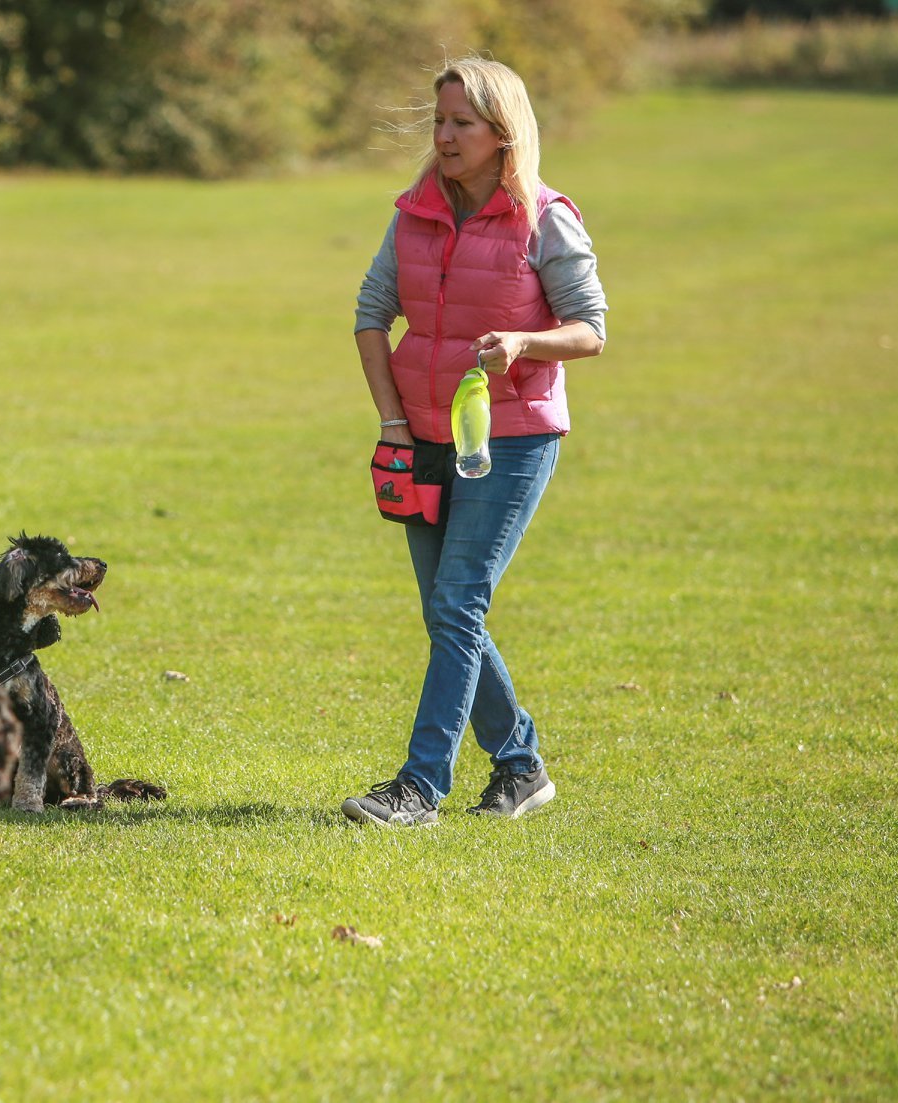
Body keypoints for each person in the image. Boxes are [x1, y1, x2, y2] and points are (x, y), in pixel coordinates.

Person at [341, 56, 607, 827]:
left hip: (510, 439)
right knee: (447, 611)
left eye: (461, 122)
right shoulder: (415, 211)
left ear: (501, 131)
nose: (445, 136)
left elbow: (590, 331)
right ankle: (519, 765)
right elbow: (370, 312)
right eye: (439, 121)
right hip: (419, 437)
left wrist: (524, 343)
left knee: (457, 601)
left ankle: (419, 788)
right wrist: (392, 422)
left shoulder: (545, 216)